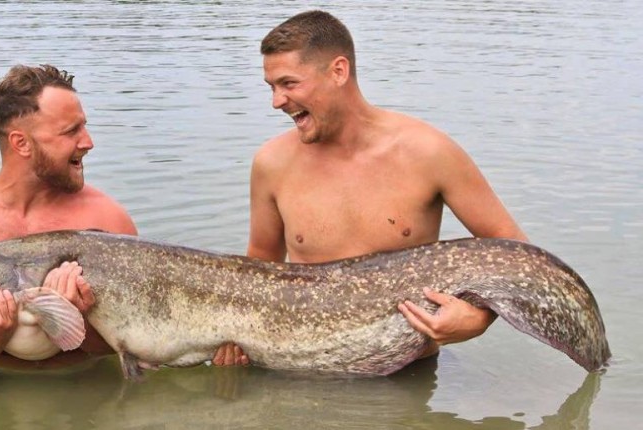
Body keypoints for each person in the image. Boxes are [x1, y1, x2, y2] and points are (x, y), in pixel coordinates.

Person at [214, 10, 527, 366]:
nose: (276, 101)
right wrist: (234, 340)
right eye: (271, 87)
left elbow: (518, 257)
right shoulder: (272, 163)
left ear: (338, 71)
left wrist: (477, 319)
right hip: (300, 375)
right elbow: (258, 270)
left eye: (289, 84)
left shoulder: (429, 153)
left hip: (408, 376)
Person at [0, 64, 137, 367]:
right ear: (21, 143)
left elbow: (129, 341)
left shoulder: (109, 219)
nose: (88, 142)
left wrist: (78, 319)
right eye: (71, 131)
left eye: (84, 126)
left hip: (87, 379)